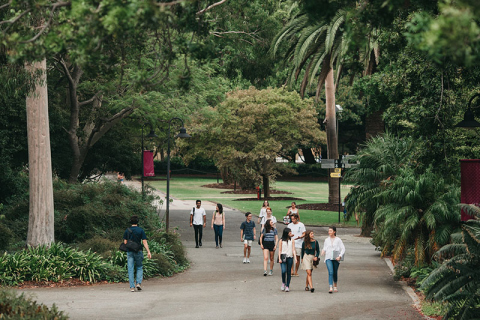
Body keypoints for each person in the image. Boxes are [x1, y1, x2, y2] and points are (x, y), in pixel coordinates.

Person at [123, 215, 152, 292]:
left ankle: (132, 287)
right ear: (137, 222)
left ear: (131, 222)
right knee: (139, 267)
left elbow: (125, 242)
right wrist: (148, 251)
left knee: (130, 268)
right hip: (138, 250)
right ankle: (138, 283)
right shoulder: (140, 230)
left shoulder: (127, 230)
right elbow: (144, 242)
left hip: (130, 251)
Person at [321, 226, 346, 293]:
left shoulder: (338, 240)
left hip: (336, 258)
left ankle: (335, 285)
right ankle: (330, 287)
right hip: (328, 257)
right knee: (330, 272)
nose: (329, 232)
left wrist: (340, 256)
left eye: (331, 231)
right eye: (329, 231)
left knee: (335, 272)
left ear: (334, 232)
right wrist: (323, 251)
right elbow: (325, 247)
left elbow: (343, 248)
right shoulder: (326, 240)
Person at [278, 227, 296, 292]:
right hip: (283, 256)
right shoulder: (281, 240)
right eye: (290, 233)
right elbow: (280, 250)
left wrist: (295, 258)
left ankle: (287, 285)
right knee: (283, 270)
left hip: (290, 257)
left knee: (289, 271)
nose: (291, 234)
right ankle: (283, 282)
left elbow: (293, 249)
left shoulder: (292, 240)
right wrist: (279, 258)